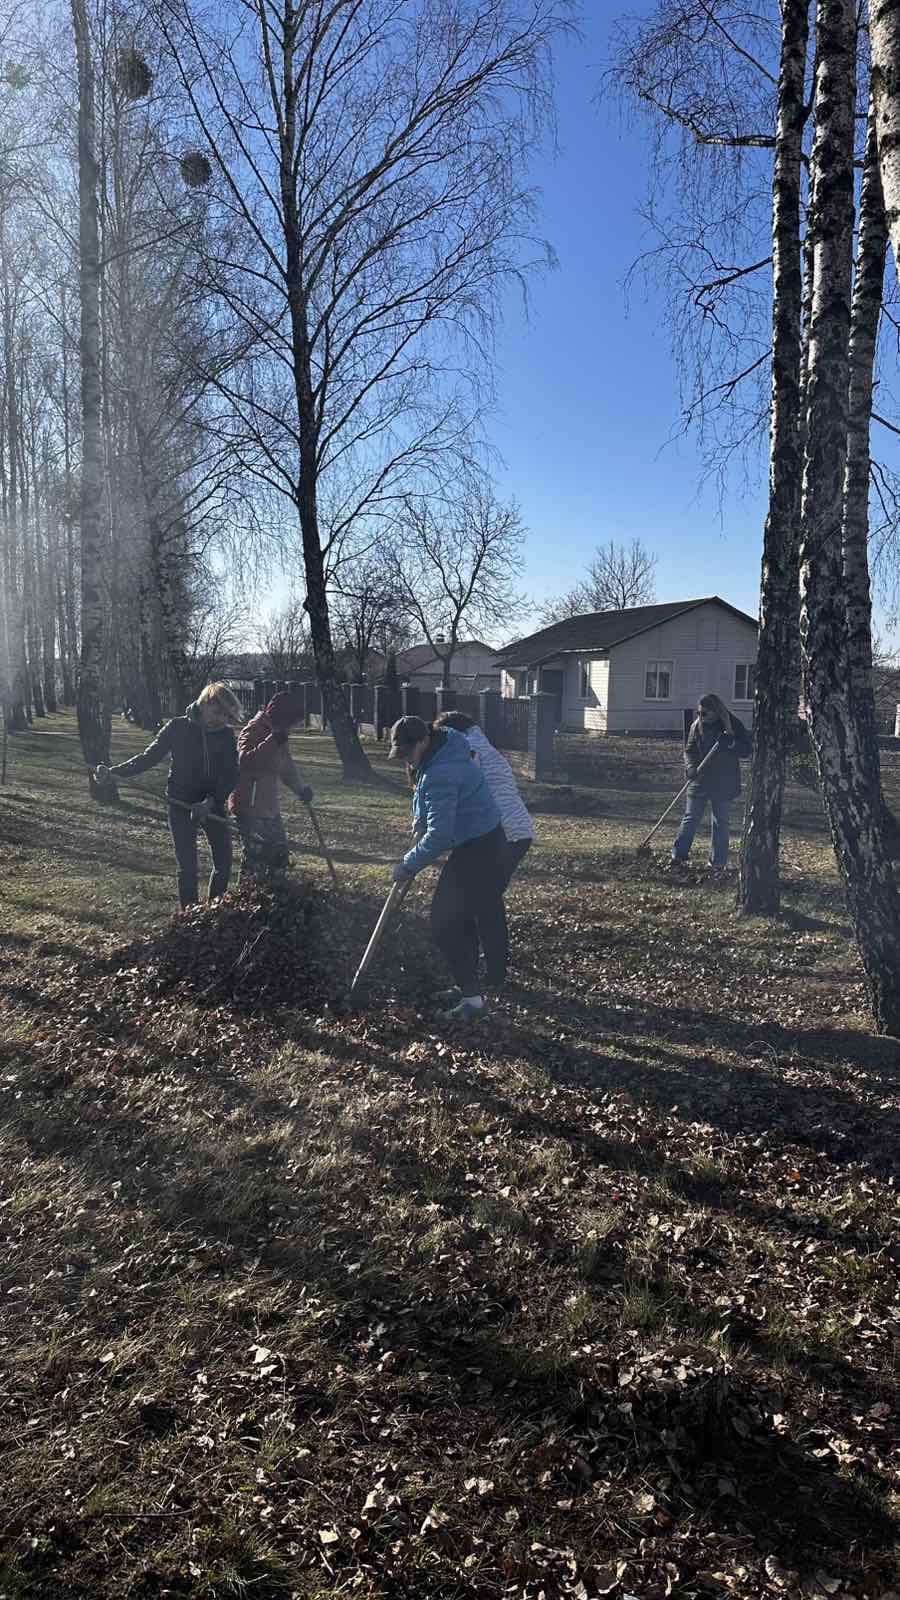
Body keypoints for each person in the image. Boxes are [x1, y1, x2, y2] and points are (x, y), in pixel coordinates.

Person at [389, 714, 506, 1022]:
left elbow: (440, 835)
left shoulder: (441, 771)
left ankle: (472, 1001)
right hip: (481, 841)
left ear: (423, 741)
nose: (406, 759)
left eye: (408, 751)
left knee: (444, 922)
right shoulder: (442, 749)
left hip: (480, 848)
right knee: (458, 919)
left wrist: (408, 865)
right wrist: (420, 822)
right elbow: (429, 802)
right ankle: (468, 989)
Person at [95, 683, 243, 908]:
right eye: (217, 713)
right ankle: (190, 915)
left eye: (226, 715)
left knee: (223, 863)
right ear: (204, 704)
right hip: (180, 802)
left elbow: (231, 774)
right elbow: (148, 757)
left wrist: (211, 801)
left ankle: (215, 912)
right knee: (187, 867)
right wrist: (114, 773)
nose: (221, 720)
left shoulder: (225, 735)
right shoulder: (177, 728)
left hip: (212, 803)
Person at [434, 707, 534, 902]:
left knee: (483, 897)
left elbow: (463, 785)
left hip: (503, 832)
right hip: (520, 832)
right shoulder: (487, 749)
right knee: (487, 896)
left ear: (452, 733)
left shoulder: (469, 748)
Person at [229, 691, 313, 879]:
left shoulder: (279, 733)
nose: (292, 728)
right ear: (282, 718)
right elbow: (245, 761)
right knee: (257, 856)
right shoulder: (254, 730)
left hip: (269, 807)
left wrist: (301, 789)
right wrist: (273, 740)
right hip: (249, 807)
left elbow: (286, 767)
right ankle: (248, 893)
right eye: (291, 723)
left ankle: (276, 892)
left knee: (279, 855)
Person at [671, 692, 751, 868]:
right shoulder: (696, 726)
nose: (700, 717)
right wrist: (690, 767)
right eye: (698, 713)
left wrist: (731, 742)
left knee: (720, 822)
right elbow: (689, 750)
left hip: (724, 782)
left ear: (716, 711)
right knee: (690, 817)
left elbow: (746, 750)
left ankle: (717, 863)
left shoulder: (733, 724)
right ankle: (678, 856)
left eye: (704, 713)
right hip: (700, 779)